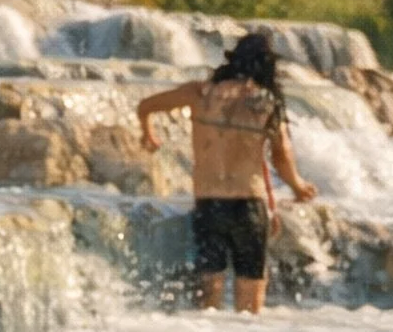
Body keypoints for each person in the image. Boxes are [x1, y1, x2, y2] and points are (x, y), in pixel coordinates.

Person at [134, 31, 317, 314]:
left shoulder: (199, 94)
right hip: (249, 205)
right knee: (250, 303)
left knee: (209, 299)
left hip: (209, 204)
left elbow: (145, 106)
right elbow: (282, 154)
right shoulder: (266, 103)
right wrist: (297, 186)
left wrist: (149, 135)